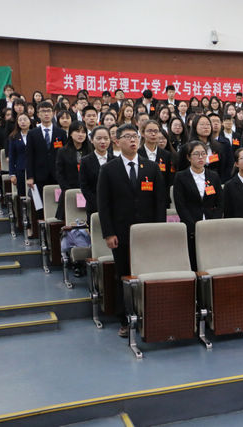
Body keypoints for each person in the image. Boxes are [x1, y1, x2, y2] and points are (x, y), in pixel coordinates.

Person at [97, 124, 166, 337]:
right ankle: (125, 319)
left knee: (149, 274)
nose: (133, 140)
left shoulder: (151, 167)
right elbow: (103, 205)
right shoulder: (108, 169)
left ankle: (151, 315)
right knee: (124, 275)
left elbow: (160, 202)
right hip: (120, 233)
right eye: (127, 136)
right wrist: (108, 233)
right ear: (117, 141)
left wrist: (158, 230)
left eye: (135, 136)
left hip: (147, 233)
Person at [173, 141, 223, 270]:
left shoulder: (213, 176)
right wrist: (193, 226)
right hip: (191, 226)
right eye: (196, 154)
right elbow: (180, 206)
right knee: (194, 261)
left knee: (212, 260)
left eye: (203, 154)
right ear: (188, 157)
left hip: (211, 225)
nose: (200, 157)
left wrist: (214, 221)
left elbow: (220, 202)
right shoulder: (181, 177)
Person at [26, 101, 68, 201]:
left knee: (58, 203)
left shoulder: (61, 132)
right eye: (43, 111)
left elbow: (66, 155)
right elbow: (29, 156)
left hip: (57, 174)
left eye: (48, 111)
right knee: (40, 203)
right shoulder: (32, 133)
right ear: (38, 114)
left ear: (53, 113)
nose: (46, 114)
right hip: (39, 174)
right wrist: (30, 176)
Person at [55, 121, 92, 220]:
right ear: (70, 133)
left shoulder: (90, 150)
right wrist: (68, 190)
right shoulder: (63, 151)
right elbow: (59, 173)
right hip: (69, 191)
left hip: (88, 193)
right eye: (77, 131)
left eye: (83, 132)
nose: (81, 135)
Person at [79, 125, 113, 223]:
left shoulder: (115, 160)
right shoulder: (85, 161)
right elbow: (84, 186)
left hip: (114, 207)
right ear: (91, 140)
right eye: (99, 138)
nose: (103, 142)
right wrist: (98, 204)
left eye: (106, 138)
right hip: (93, 207)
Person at [138, 120, 173, 206]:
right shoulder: (137, 154)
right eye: (149, 131)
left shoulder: (166, 155)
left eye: (156, 131)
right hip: (141, 199)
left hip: (161, 199)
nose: (153, 134)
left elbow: (169, 179)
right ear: (142, 133)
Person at [8, 113, 32, 197]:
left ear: (30, 121)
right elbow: (11, 156)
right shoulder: (13, 137)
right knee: (22, 195)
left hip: (34, 169)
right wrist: (12, 174)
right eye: (20, 120)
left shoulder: (35, 134)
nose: (22, 122)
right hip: (20, 169)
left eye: (25, 119)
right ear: (17, 123)